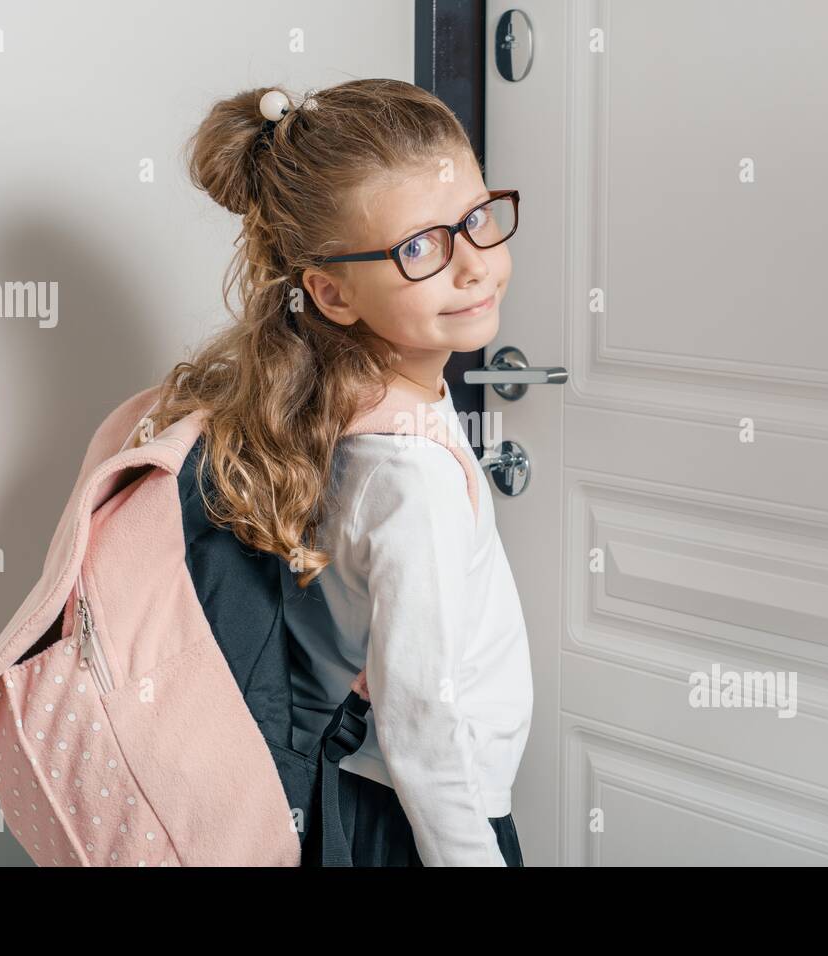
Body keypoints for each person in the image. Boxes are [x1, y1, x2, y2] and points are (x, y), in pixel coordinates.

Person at [147, 79, 532, 866]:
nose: (473, 265)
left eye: (477, 219)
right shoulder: (409, 478)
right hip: (422, 817)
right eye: (420, 247)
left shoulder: (356, 394)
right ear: (330, 292)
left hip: (369, 788)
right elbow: (424, 716)